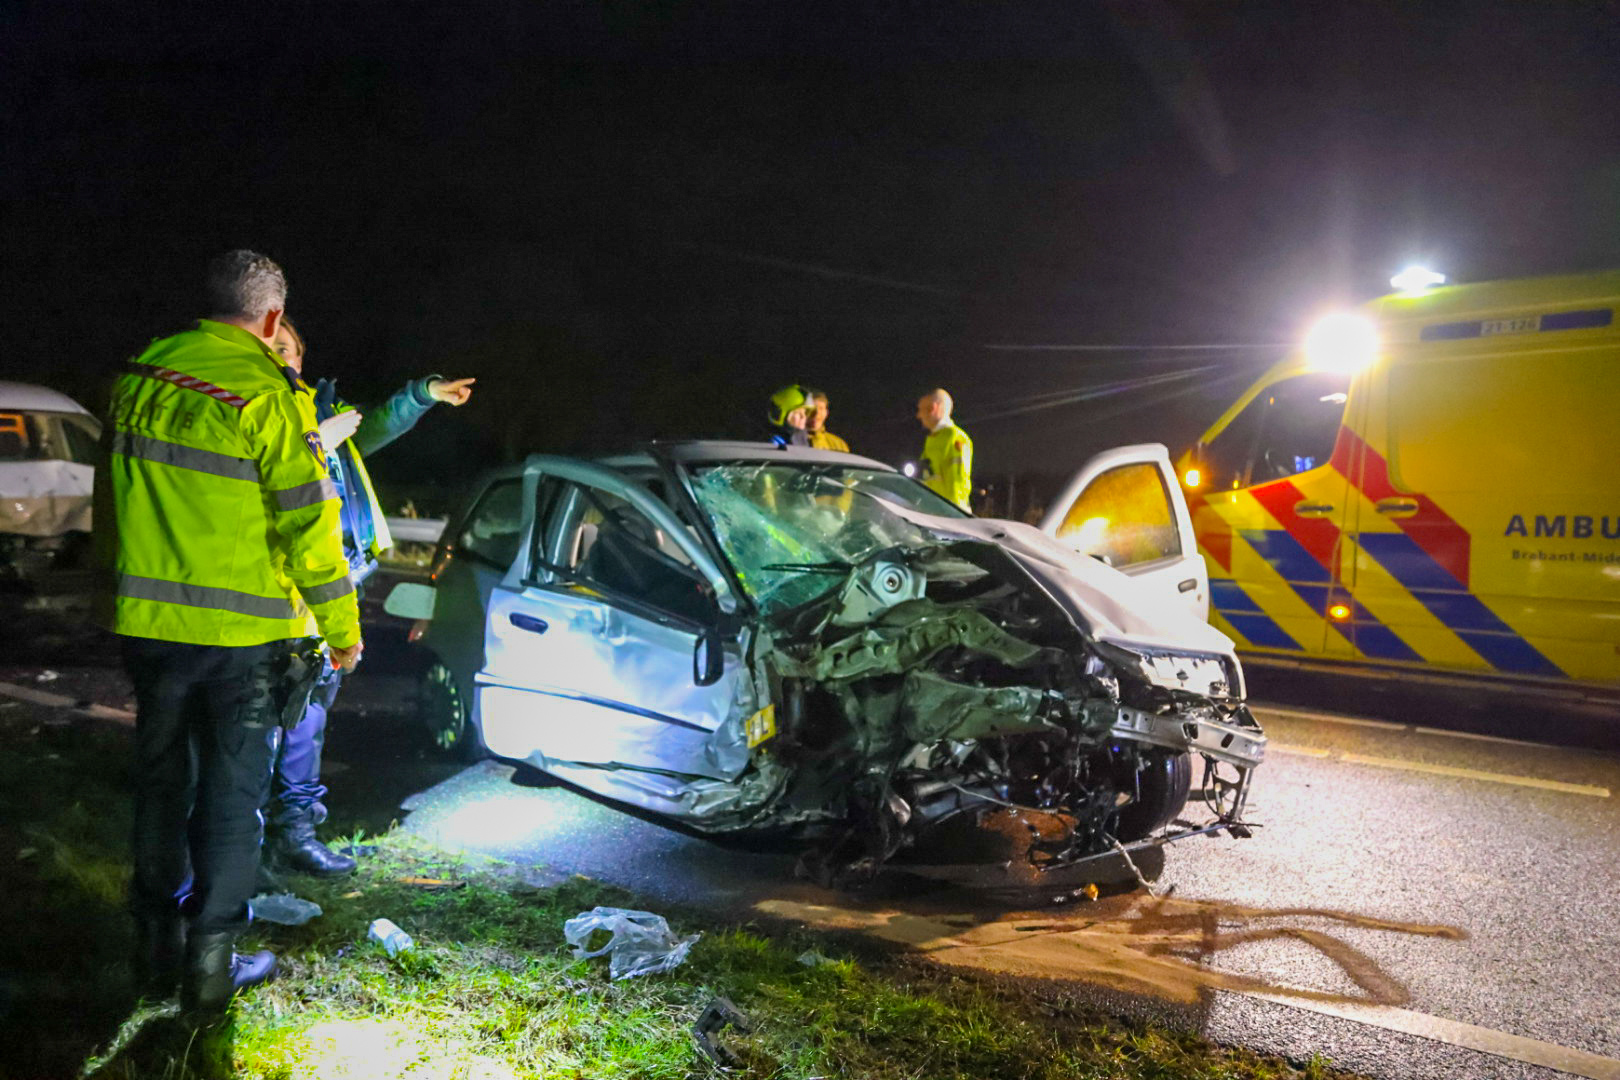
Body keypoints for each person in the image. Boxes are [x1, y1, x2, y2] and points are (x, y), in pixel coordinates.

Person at [94, 250, 362, 1013]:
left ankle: (154, 949)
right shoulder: (268, 393)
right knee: (230, 799)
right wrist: (342, 629)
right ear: (272, 317)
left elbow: (108, 501)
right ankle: (210, 966)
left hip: (148, 627)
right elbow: (310, 525)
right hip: (244, 639)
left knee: (160, 787)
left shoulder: (138, 377)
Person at [265, 318, 475, 876]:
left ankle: (296, 833)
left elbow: (379, 423)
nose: (279, 354)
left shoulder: (321, 410)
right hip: (277, 591)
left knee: (309, 717)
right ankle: (249, 841)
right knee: (263, 725)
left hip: (333, 585)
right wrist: (316, 441)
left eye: (288, 348)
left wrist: (424, 393)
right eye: (270, 345)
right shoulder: (259, 416)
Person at [915, 387, 974, 511]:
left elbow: (958, 484)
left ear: (933, 408)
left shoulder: (954, 438)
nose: (918, 415)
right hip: (934, 511)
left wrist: (954, 515)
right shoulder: (935, 438)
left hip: (947, 515)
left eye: (921, 410)